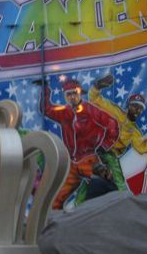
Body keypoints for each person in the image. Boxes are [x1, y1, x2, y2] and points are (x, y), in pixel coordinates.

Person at [36, 78, 119, 209]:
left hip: (89, 160)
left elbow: (112, 124)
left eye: (75, 93)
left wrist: (105, 145)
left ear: (80, 93)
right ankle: (58, 221)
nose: (72, 97)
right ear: (65, 96)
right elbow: (46, 109)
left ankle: (114, 213)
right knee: (55, 201)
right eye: (69, 94)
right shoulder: (64, 112)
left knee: (106, 187)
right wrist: (45, 89)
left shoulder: (90, 110)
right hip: (73, 164)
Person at [89, 74, 147, 191]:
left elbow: (142, 147)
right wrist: (97, 86)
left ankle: (118, 194)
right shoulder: (116, 111)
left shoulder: (135, 131)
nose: (137, 110)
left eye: (140, 108)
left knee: (107, 179)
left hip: (111, 155)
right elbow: (95, 99)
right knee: (117, 180)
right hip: (99, 148)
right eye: (135, 106)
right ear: (128, 106)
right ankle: (123, 194)